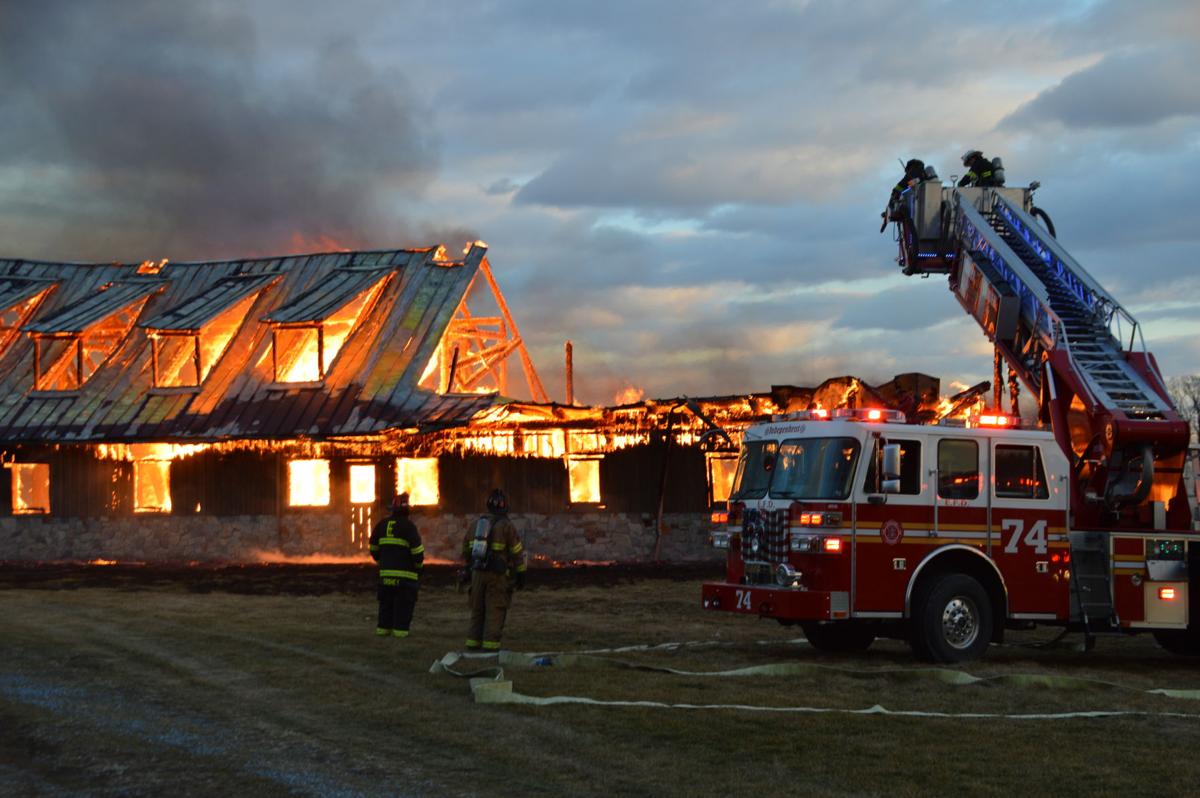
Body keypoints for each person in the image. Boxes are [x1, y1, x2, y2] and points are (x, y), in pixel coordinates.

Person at [460, 488, 527, 652]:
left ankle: (473, 643)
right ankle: (490, 647)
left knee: (477, 609)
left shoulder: (477, 524)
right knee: (495, 610)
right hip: (497, 575)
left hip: (477, 573)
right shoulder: (506, 526)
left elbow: (466, 549)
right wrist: (521, 573)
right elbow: (517, 552)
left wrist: (469, 569)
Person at [369, 492, 424, 638]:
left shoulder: (381, 525)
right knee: (403, 606)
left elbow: (373, 548)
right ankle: (400, 634)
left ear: (392, 509)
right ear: (407, 510)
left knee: (385, 605)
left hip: (385, 576)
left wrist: (381, 560)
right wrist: (418, 567)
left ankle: (383, 631)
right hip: (405, 578)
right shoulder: (409, 527)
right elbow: (418, 552)